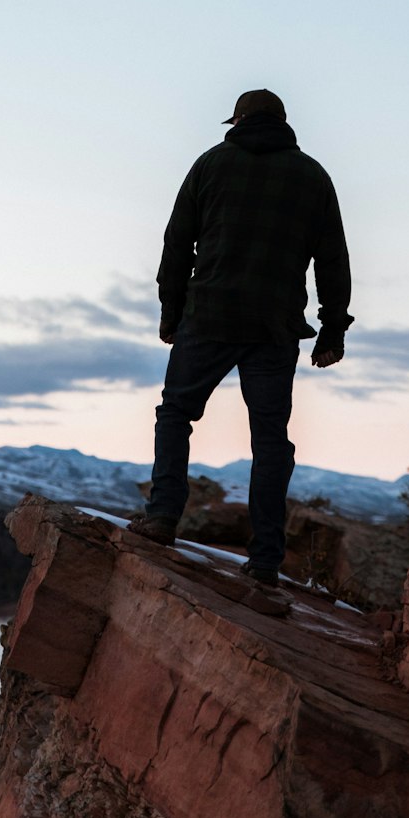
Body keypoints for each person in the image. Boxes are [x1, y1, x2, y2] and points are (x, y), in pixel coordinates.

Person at [128, 89, 353, 586]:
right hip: (274, 328)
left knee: (176, 414)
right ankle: (267, 558)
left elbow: (176, 244)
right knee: (269, 441)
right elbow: (333, 260)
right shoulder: (313, 177)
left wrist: (171, 311)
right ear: (283, 123)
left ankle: (163, 516)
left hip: (208, 316)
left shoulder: (211, 164)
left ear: (239, 121)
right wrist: (331, 330)